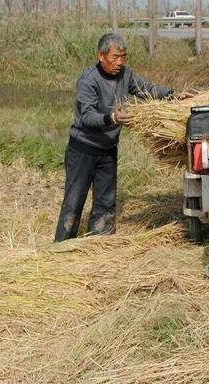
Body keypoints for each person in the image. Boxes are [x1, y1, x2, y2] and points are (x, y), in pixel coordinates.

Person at [54, 33, 192, 242]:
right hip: (83, 150)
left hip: (108, 149)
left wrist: (173, 95)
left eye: (123, 57)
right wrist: (112, 118)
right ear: (101, 56)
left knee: (105, 202)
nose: (120, 62)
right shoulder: (89, 79)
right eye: (115, 57)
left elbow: (148, 90)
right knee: (74, 201)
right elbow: (87, 116)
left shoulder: (126, 74)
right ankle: (62, 248)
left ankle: (98, 243)